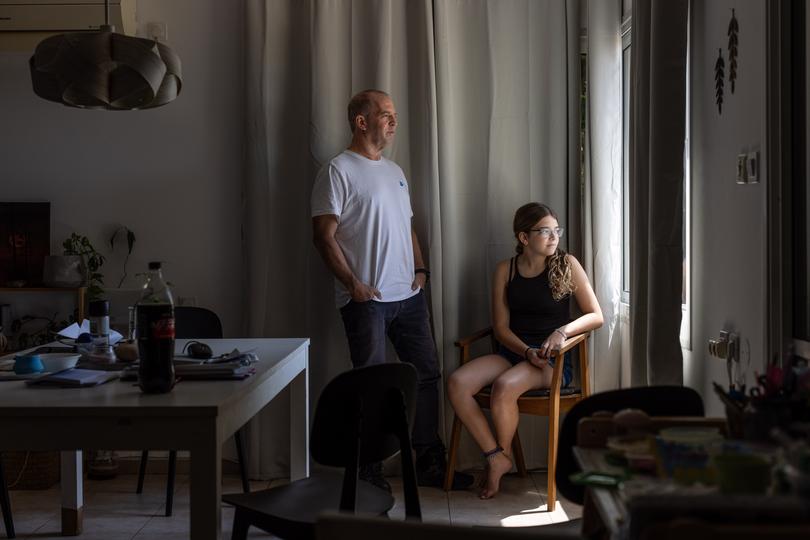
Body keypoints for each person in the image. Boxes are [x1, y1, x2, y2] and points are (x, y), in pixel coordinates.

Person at [311, 89, 473, 491]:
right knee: (371, 384)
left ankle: (429, 461)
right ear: (361, 121)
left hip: (410, 298)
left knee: (426, 376)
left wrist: (420, 270)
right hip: (366, 302)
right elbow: (323, 237)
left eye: (394, 115)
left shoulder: (395, 170)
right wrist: (354, 285)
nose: (393, 121)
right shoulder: (337, 170)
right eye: (385, 114)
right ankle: (368, 471)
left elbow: (407, 225)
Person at [447, 202, 603, 499]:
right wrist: (525, 350)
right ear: (524, 237)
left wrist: (561, 332)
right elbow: (501, 328)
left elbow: (596, 315)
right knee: (457, 383)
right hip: (514, 351)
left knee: (504, 387)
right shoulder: (505, 270)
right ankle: (496, 456)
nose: (554, 237)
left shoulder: (567, 264)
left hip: (552, 360)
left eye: (557, 230)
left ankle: (496, 465)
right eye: (545, 231)